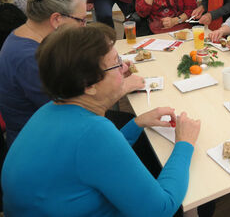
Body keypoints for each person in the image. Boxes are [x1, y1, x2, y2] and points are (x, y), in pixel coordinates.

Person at [1, 24, 201, 216]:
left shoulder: (50, 109)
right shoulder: (94, 132)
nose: (124, 68)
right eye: (116, 63)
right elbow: (161, 209)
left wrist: (137, 123)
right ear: (88, 85)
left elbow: (92, 156)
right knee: (194, 200)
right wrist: (184, 143)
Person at [0, 0, 89, 147]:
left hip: (46, 130)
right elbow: (70, 112)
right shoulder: (29, 57)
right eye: (81, 20)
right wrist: (119, 87)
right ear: (56, 19)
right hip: (39, 143)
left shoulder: (24, 36)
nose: (83, 27)